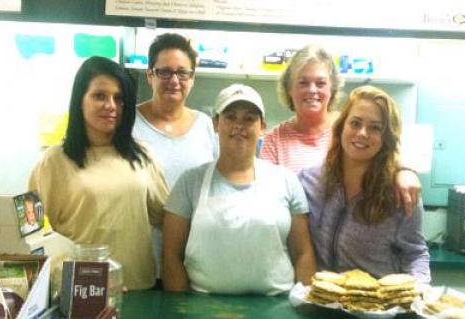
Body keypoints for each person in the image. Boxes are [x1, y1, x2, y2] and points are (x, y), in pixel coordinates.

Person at [28, 56, 168, 290]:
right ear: (80, 100)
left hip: (139, 290)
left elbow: (167, 218)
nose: (111, 105)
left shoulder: (143, 155)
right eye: (100, 96)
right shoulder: (52, 162)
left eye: (119, 98)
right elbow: (31, 234)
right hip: (79, 296)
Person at [162, 84, 316, 295]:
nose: (239, 125)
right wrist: (181, 308)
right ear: (216, 123)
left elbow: (303, 254)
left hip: (275, 306)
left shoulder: (286, 180)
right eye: (230, 117)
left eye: (249, 118)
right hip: (205, 306)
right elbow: (171, 256)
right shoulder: (190, 182)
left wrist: (303, 305)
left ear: (262, 126)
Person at [260, 44, 421, 216]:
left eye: (320, 83)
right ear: (289, 89)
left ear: (332, 89)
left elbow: (389, 153)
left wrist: (406, 171)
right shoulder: (274, 141)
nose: (312, 90)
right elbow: (269, 199)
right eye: (303, 83)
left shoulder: (349, 130)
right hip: (292, 238)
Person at [298, 85, 430, 284]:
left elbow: (415, 254)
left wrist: (418, 292)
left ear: (386, 138)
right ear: (342, 126)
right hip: (323, 303)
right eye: (355, 123)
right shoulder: (309, 181)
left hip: (377, 309)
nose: (362, 133)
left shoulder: (400, 193)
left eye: (375, 128)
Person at [132, 33, 218, 281]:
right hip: (140, 258)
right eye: (165, 72)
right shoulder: (129, 123)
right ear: (150, 75)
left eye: (183, 73)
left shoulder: (204, 125)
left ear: (193, 78)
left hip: (193, 258)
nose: (174, 80)